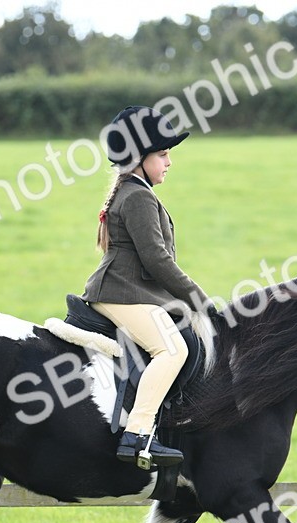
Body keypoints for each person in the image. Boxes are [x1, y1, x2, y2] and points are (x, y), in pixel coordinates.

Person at [81, 105, 212, 469]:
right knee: (171, 350)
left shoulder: (133, 189)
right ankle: (137, 434)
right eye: (163, 154)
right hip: (120, 293)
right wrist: (200, 300)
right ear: (140, 158)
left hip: (127, 290)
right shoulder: (138, 196)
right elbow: (157, 261)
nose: (169, 162)